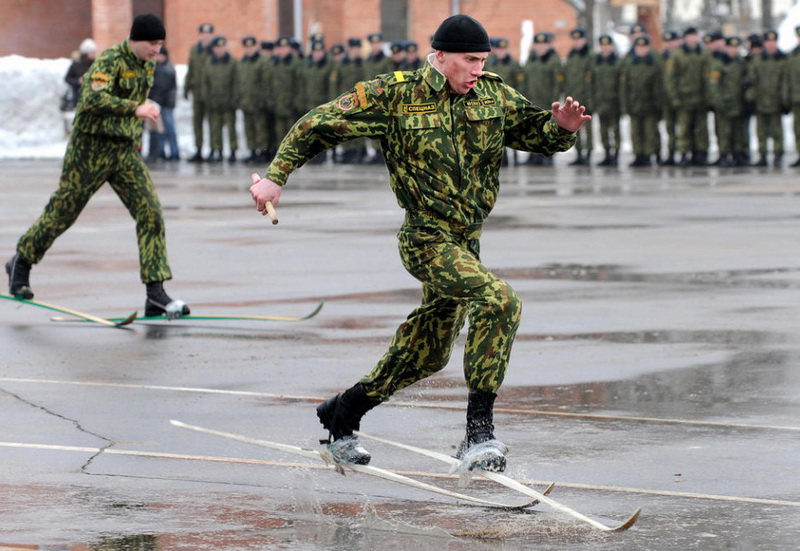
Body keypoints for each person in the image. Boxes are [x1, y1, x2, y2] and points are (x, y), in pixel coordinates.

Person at [249, 14, 589, 471]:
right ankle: (478, 433)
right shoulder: (396, 93)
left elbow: (535, 133)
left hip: (467, 242)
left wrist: (562, 127)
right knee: (499, 300)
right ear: (441, 55)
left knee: (428, 352)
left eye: (483, 60)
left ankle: (344, 411)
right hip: (426, 236)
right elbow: (319, 124)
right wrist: (276, 178)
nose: (477, 69)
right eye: (470, 60)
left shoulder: (492, 92)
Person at [5, 14, 190, 319]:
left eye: (160, 44)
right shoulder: (109, 61)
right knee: (63, 212)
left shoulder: (147, 64)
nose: (157, 50)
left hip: (123, 152)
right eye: (152, 43)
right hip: (90, 149)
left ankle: (155, 293)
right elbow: (92, 99)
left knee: (151, 212)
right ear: (136, 40)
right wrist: (136, 108)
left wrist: (137, 127)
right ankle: (21, 263)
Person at [621, 35, 663, 167]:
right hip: (634, 104)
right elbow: (624, 86)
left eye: (644, 47)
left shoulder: (654, 63)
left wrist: (658, 104)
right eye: (639, 47)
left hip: (650, 104)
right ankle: (639, 155)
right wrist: (625, 104)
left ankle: (650, 155)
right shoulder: (630, 64)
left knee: (650, 132)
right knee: (636, 132)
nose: (641, 50)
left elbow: (658, 85)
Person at [204, 35, 239, 163]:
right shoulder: (209, 62)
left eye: (222, 47)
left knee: (231, 129)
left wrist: (235, 100)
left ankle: (233, 151)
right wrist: (207, 99)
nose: (220, 50)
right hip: (214, 102)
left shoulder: (232, 62)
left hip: (229, 102)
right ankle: (217, 150)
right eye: (217, 48)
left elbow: (236, 82)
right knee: (215, 128)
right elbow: (206, 82)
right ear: (213, 49)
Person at [563, 28, 594, 166]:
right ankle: (579, 152)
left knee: (588, 127)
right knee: (575, 127)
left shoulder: (590, 56)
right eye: (575, 40)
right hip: (574, 98)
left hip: (588, 96)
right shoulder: (572, 56)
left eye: (579, 39)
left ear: (585, 40)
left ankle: (589, 153)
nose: (577, 42)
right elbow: (567, 76)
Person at [185, 23, 214, 163]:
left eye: (208, 34)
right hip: (197, 92)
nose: (205, 37)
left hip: (210, 93)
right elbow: (190, 70)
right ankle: (198, 149)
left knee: (212, 122)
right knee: (197, 122)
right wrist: (186, 88)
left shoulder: (215, 51)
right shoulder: (194, 51)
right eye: (203, 34)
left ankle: (214, 150)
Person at [591, 34, 622, 166]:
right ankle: (607, 153)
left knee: (615, 130)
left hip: (614, 102)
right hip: (601, 101)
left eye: (607, 45)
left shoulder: (617, 62)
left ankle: (616, 155)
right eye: (602, 46)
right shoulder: (596, 62)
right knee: (603, 131)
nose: (605, 48)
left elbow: (622, 85)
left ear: (612, 47)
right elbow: (591, 84)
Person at [146, 45, 179, 162]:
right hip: (156, 103)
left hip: (165, 104)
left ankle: (174, 152)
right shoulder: (155, 68)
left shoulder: (168, 69)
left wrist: (169, 102)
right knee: (157, 130)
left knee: (169, 129)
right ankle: (159, 152)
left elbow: (171, 89)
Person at [63, 38, 97, 111]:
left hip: (93, 98)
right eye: (92, 52)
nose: (94, 54)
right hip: (79, 97)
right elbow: (67, 78)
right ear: (86, 53)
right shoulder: (76, 64)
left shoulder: (96, 64)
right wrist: (78, 81)